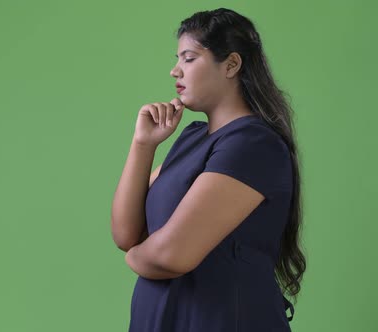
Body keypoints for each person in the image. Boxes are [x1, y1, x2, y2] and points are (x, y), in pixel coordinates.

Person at [110, 8, 307, 331]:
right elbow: (124, 232)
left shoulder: (253, 145)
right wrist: (143, 145)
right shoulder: (191, 138)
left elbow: (172, 255)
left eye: (188, 58)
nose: (175, 71)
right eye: (177, 59)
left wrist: (135, 257)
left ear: (231, 64)